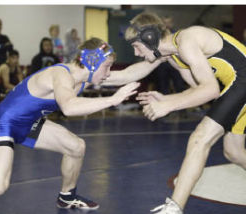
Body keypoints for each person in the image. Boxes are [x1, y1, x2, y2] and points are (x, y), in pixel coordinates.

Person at [0, 37, 140, 214]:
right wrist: (113, 100)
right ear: (92, 62)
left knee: (76, 147)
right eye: (107, 66)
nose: (109, 72)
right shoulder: (61, 75)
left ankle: (67, 197)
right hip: (5, 123)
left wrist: (162, 55)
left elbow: (128, 75)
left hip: (29, 122)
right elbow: (69, 108)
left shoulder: (83, 77)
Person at [104, 12, 246, 214]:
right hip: (237, 87)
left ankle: (174, 208)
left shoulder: (187, 41)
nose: (136, 53)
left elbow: (210, 90)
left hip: (242, 82)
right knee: (234, 152)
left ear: (150, 38)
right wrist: (85, 78)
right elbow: (129, 74)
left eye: (136, 46)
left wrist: (169, 104)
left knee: (200, 138)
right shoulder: (172, 56)